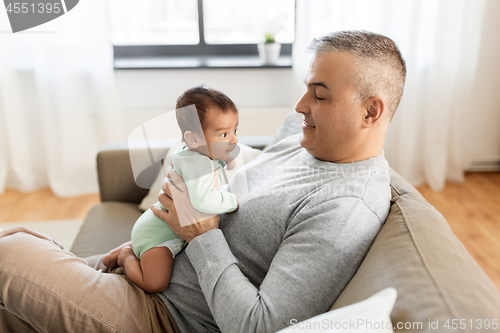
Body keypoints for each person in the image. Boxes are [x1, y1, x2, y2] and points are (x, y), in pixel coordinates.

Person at [0, 30, 406, 333]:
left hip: (162, 316)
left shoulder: (344, 208)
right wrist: (151, 244)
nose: (300, 106)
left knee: (9, 255)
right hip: (148, 267)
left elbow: (259, 326)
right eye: (305, 91)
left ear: (371, 111)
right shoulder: (308, 145)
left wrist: (199, 233)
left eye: (319, 95)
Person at [102, 86, 240, 293]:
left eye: (234, 131)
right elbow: (204, 200)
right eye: (223, 134)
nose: (234, 139)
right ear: (193, 139)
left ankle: (118, 252)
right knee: (154, 283)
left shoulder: (192, 153)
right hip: (158, 238)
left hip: (153, 226)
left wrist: (224, 159)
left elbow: (206, 164)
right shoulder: (199, 164)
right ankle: (126, 256)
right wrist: (233, 201)